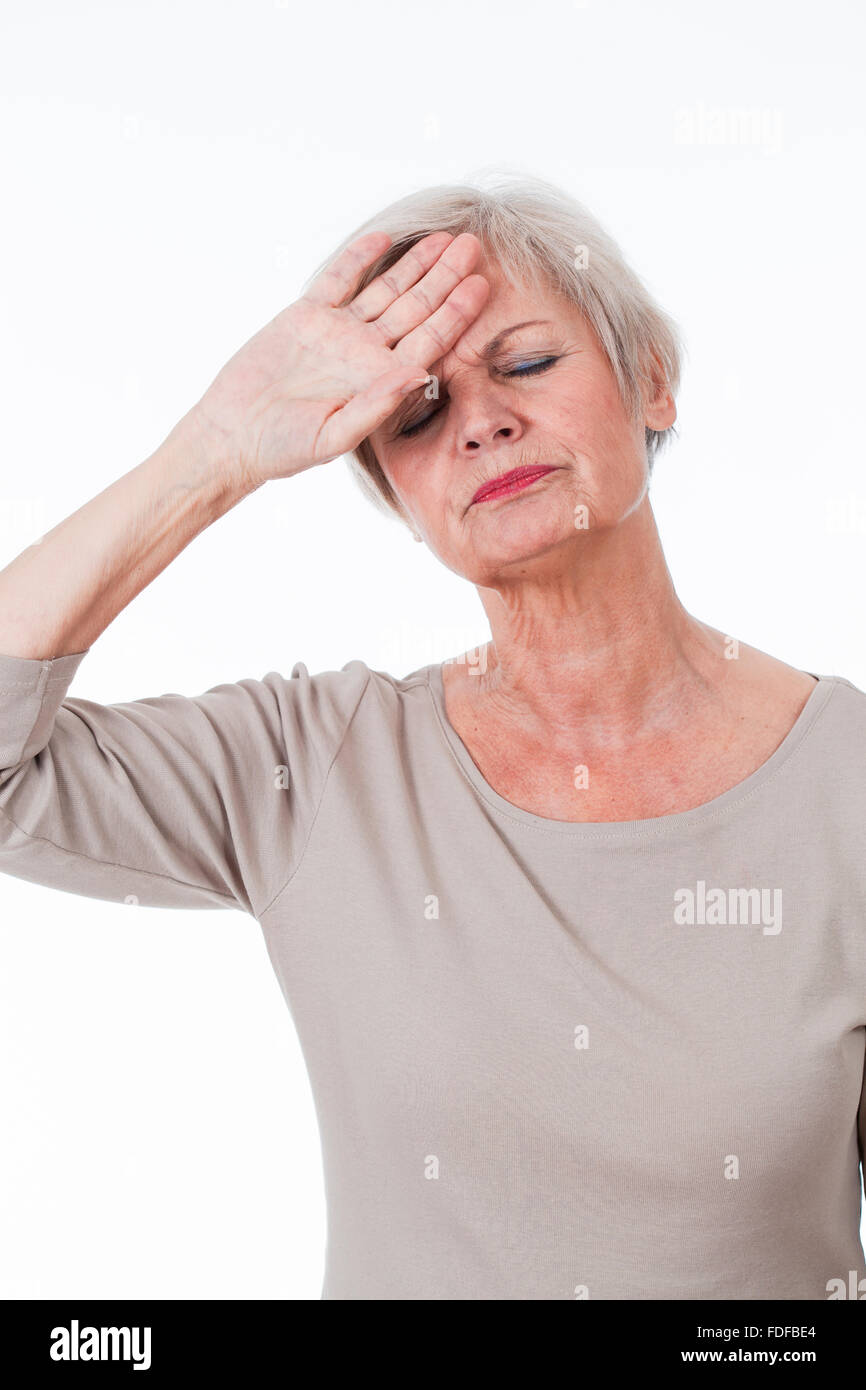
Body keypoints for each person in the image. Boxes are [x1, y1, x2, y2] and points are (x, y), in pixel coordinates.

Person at [1, 175, 864, 1301]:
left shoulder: (845, 783)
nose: (481, 422)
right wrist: (214, 451)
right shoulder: (315, 766)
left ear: (650, 379)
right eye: (415, 414)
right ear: (393, 491)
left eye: (526, 363)